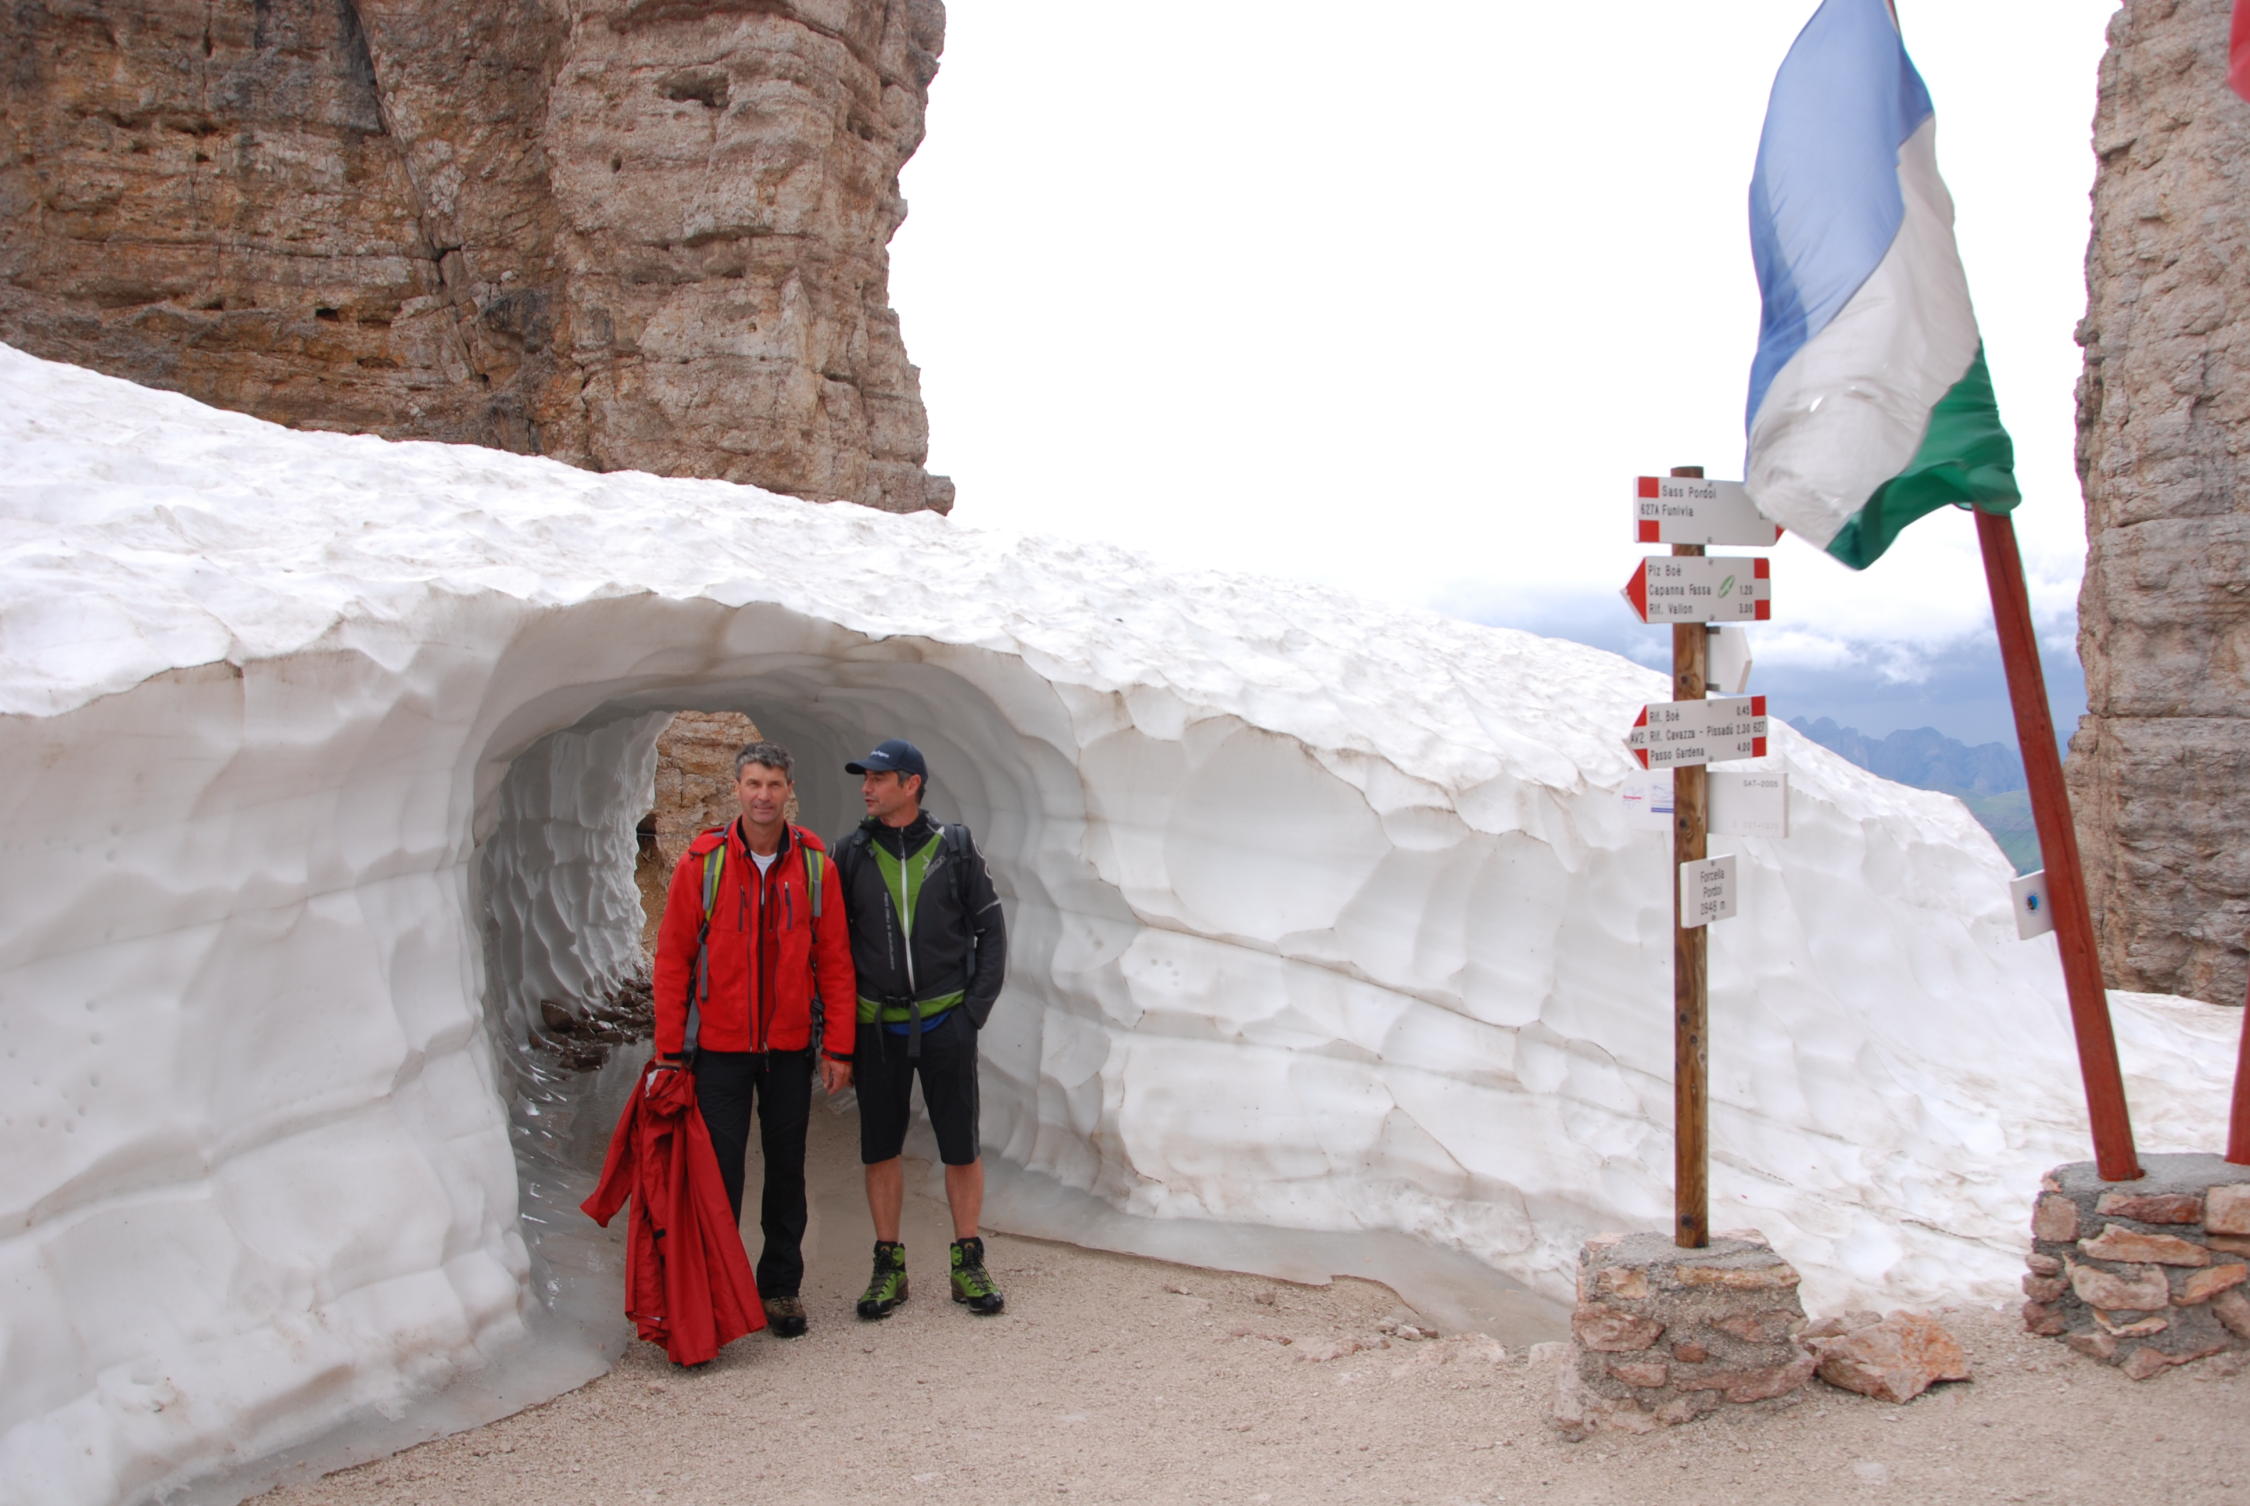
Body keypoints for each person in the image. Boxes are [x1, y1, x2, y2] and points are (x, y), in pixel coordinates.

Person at [650, 740, 855, 1339]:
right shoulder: (703, 863)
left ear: (789, 790)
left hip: (788, 1049)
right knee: (719, 1176)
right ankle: (718, 1290)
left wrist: (837, 1046)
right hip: (720, 1050)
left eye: (774, 784)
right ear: (737, 788)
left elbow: (835, 962)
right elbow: (673, 961)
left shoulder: (814, 866)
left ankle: (780, 1287)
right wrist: (669, 1052)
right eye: (753, 784)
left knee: (787, 1171)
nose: (763, 796)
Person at [831, 738, 1009, 1318]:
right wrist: (833, 1032)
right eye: (865, 779)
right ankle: (889, 1266)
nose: (867, 788)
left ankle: (968, 1261)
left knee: (960, 1145)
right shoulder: (850, 853)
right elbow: (830, 947)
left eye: (878, 779)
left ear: (911, 784)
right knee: (880, 1147)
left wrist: (972, 1012)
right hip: (876, 1025)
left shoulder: (953, 847)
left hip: (945, 1019)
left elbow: (991, 930)